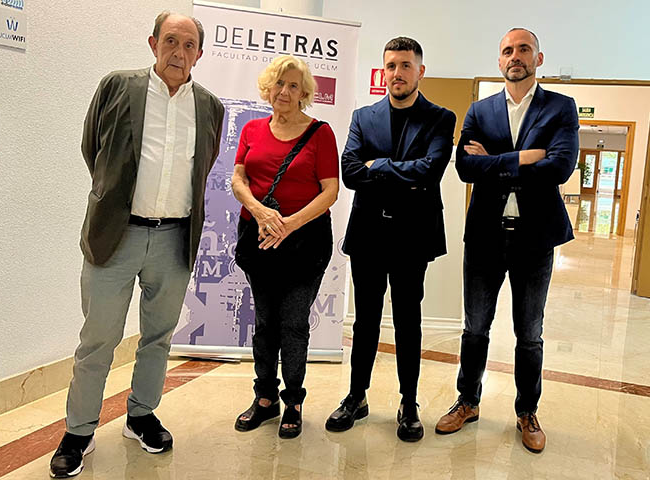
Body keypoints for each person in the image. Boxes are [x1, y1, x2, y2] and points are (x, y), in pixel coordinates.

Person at [49, 11, 224, 478]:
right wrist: (117, 200)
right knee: (98, 340)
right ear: (153, 44)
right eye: (171, 41)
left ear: (199, 55)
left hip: (173, 238)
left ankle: (141, 415)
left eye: (189, 46)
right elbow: (94, 150)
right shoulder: (117, 86)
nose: (179, 53)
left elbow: (202, 165)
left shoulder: (209, 106)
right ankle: (78, 431)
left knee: (159, 337)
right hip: (117, 235)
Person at [435, 27, 579, 454]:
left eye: (523, 50)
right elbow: (464, 168)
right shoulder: (480, 110)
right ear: (499, 61)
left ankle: (526, 411)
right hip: (484, 236)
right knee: (475, 327)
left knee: (529, 332)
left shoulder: (561, 107)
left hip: (536, 238)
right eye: (507, 51)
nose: (515, 56)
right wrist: (525, 158)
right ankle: (468, 402)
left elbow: (560, 167)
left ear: (538, 58)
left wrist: (495, 162)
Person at [325, 37, 456, 442]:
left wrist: (376, 166)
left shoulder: (440, 118)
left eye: (404, 65)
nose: (396, 73)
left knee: (407, 320)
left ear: (420, 71)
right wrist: (400, 172)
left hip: (412, 236)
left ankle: (409, 402)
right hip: (368, 233)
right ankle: (356, 396)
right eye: (390, 66)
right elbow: (349, 172)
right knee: (364, 321)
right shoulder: (364, 117)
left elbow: (430, 171)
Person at [230, 55, 339, 439]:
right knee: (264, 323)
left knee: (293, 324)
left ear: (305, 93)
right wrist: (260, 213)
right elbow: (238, 178)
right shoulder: (252, 129)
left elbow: (331, 191)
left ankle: (293, 399)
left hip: (305, 243)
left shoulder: (320, 132)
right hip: (259, 237)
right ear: (268, 88)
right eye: (279, 84)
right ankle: (265, 399)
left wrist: (289, 225)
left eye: (294, 86)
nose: (285, 92)